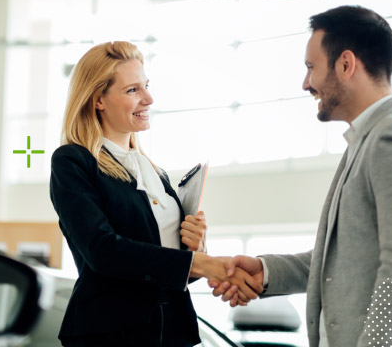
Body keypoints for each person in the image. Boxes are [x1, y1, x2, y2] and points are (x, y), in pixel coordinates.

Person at [212, 6, 392, 347]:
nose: (306, 83)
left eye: (311, 68)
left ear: (346, 64)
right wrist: (265, 270)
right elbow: (342, 260)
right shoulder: (368, 141)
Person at [49, 41, 261, 347]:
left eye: (146, 86)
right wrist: (200, 263)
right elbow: (102, 251)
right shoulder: (73, 161)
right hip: (109, 333)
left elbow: (162, 269)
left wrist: (194, 249)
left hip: (171, 330)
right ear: (99, 100)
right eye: (133, 90)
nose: (149, 98)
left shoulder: (154, 172)